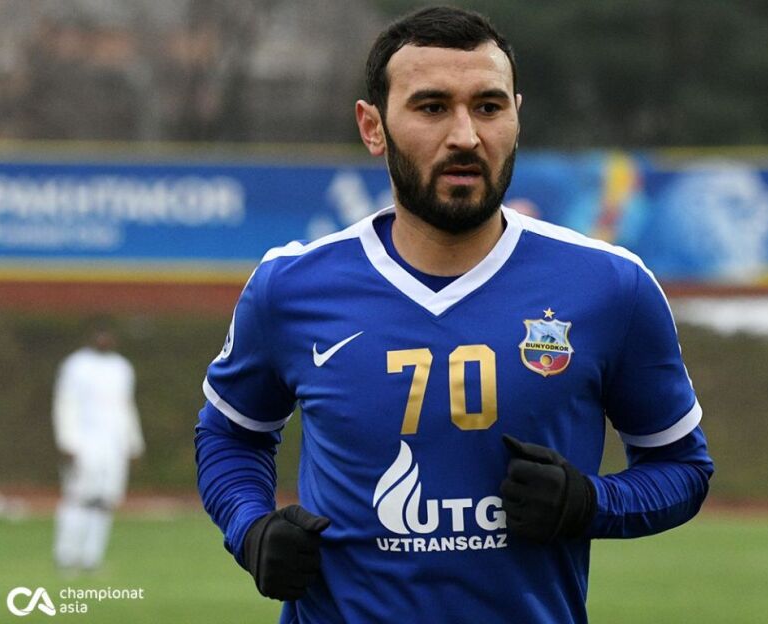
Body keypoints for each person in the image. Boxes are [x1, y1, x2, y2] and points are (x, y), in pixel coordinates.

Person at [195, 7, 713, 623]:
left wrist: (591, 503)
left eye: (488, 107)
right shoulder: (290, 287)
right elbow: (231, 434)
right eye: (432, 107)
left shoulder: (610, 286)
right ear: (373, 127)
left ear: (516, 117)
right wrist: (251, 528)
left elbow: (681, 466)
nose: (466, 135)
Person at [53, 322, 144, 573]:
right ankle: (66, 556)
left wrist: (133, 443)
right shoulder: (76, 365)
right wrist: (67, 441)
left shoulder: (122, 368)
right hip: (85, 442)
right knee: (78, 497)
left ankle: (91, 558)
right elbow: (65, 404)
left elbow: (126, 406)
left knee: (106, 501)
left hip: (113, 445)